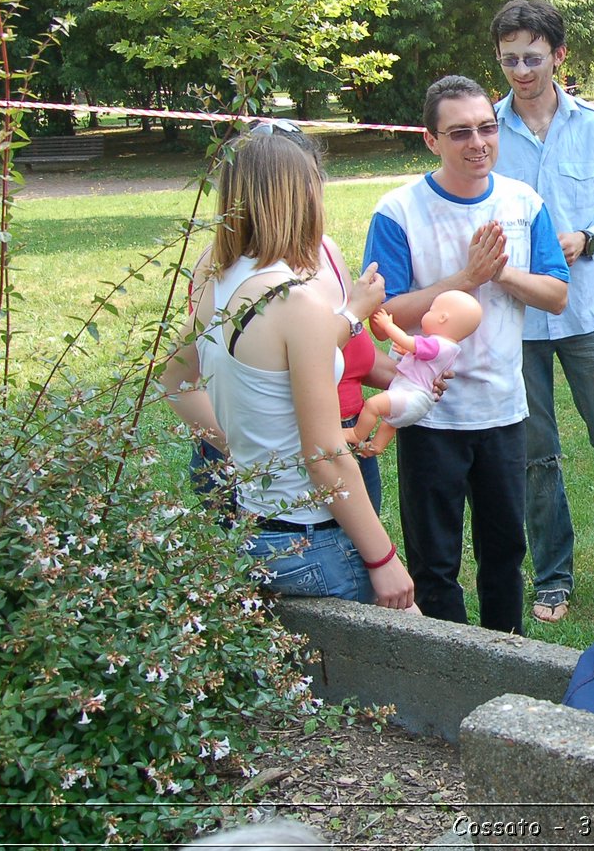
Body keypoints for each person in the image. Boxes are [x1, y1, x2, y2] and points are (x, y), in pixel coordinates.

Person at [161, 130, 414, 609]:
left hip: (255, 531)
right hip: (317, 540)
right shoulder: (295, 301)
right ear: (303, 195)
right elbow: (325, 456)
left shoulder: (218, 279)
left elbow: (174, 380)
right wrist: (383, 562)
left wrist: (239, 448)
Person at [362, 75, 570, 632]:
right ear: (430, 140)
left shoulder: (523, 203)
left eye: (486, 127)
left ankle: (506, 659)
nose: (477, 142)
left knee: (505, 554)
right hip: (431, 415)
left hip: (502, 409)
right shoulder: (399, 211)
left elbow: (556, 293)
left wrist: (502, 274)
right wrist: (467, 278)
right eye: (459, 133)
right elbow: (384, 315)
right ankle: (448, 671)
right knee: (436, 563)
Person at [489, 0, 594, 625]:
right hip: (516, 316)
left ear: (559, 55)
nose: (521, 71)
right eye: (509, 61)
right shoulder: (487, 130)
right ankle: (553, 577)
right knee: (536, 454)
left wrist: (589, 237)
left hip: (587, 313)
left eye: (532, 57)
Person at [191, 120, 401, 515]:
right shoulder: (223, 268)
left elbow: (354, 357)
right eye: (300, 183)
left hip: (344, 432)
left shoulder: (326, 252)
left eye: (313, 179)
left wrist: (414, 375)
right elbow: (270, 355)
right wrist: (354, 314)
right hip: (276, 455)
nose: (311, 197)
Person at [345, 290, 482, 455]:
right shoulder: (450, 349)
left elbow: (406, 340)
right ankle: (376, 447)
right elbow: (424, 362)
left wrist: (388, 325)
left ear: (442, 318)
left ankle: (356, 433)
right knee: (390, 423)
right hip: (418, 402)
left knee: (373, 405)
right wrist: (407, 352)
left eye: (431, 310)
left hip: (410, 396)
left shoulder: (436, 344)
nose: (427, 313)